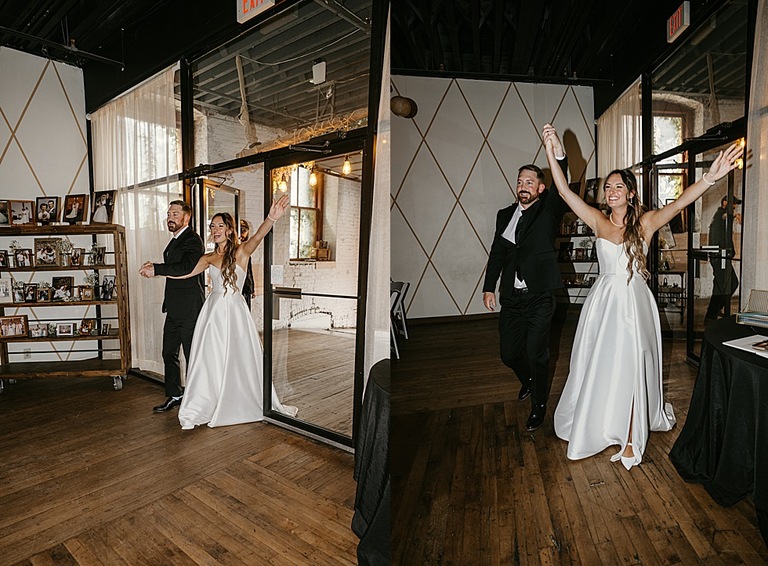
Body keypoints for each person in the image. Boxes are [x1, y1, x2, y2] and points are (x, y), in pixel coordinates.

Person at [543, 124, 742, 470]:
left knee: (634, 363)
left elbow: (680, 202)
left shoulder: (646, 223)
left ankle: (633, 435)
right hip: (603, 303)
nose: (611, 191)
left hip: (634, 303)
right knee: (601, 363)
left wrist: (710, 177)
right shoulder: (597, 220)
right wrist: (550, 149)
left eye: (618, 186)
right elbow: (562, 191)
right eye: (608, 187)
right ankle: (600, 418)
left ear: (631, 193)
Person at [143, 196, 297, 429]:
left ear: (229, 230)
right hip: (213, 312)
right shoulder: (208, 257)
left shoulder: (242, 252)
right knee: (211, 358)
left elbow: (258, 236)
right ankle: (209, 398)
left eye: (220, 226)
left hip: (234, 311)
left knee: (237, 356)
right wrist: (156, 270)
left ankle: (237, 397)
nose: (215, 230)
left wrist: (271, 218)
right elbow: (185, 272)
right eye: (212, 226)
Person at [482, 129, 570, 432]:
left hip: (540, 296)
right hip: (512, 297)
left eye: (529, 182)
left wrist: (557, 153)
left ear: (541, 188)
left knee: (537, 353)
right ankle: (529, 380)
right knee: (509, 354)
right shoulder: (504, 215)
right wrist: (489, 287)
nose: (523, 186)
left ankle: (539, 406)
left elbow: (562, 185)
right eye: (520, 181)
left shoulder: (548, 210)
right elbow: (497, 253)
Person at [139, 200, 205, 413]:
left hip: (189, 309)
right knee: (168, 353)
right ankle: (175, 395)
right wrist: (155, 267)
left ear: (187, 217)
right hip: (174, 308)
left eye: (175, 214)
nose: (170, 217)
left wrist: (157, 269)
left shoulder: (193, 240)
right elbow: (173, 267)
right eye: (168, 214)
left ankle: (199, 399)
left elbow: (186, 267)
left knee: (192, 356)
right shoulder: (176, 239)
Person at [705, 195, 742, 323]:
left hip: (721, 257)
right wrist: (735, 216)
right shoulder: (720, 214)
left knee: (722, 286)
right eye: (733, 204)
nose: (735, 207)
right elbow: (725, 217)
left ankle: (713, 313)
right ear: (725, 203)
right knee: (729, 284)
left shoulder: (720, 215)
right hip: (720, 258)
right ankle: (712, 315)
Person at [239, 219, 256, 309]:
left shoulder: (246, 248)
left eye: (244, 230)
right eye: (240, 230)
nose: (242, 233)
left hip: (245, 286)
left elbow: (249, 269)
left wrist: (252, 288)